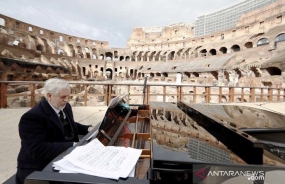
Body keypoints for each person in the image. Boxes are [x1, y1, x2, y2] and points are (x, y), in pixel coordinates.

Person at [15, 78, 93, 184]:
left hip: (62, 158)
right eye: (63, 97)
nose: (66, 100)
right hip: (38, 169)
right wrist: (73, 145)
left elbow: (69, 125)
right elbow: (38, 149)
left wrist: (87, 129)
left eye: (68, 96)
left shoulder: (65, 106)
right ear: (49, 96)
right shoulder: (32, 117)